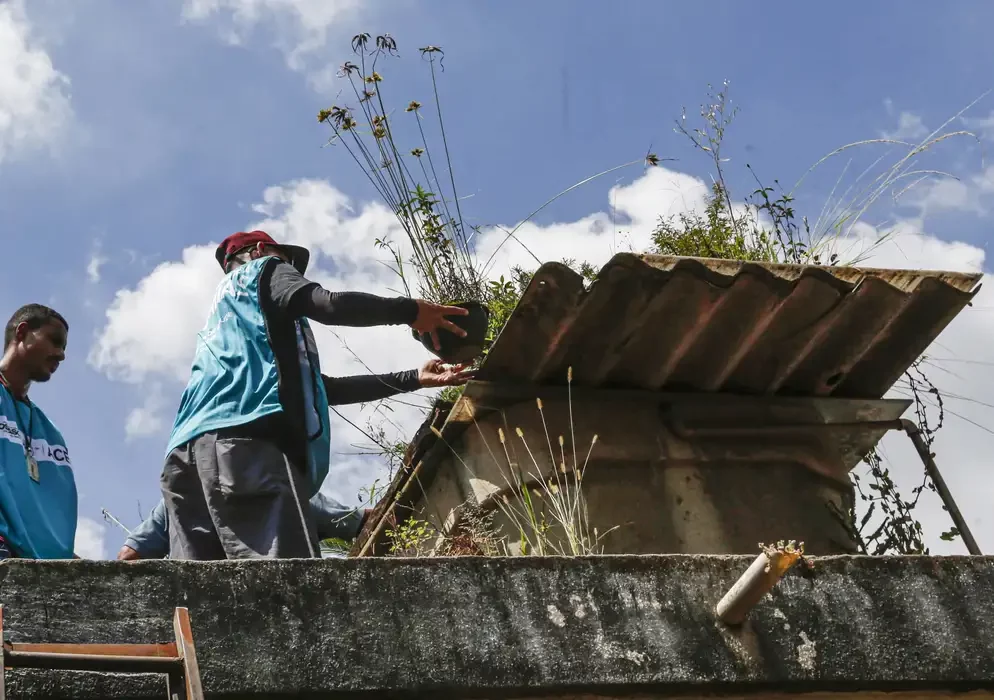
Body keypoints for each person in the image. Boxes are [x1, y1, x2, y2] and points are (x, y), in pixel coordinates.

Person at [161, 230, 473, 560]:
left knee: (203, 599)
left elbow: (322, 389)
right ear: (261, 250)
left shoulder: (226, 320)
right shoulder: (264, 269)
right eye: (286, 261)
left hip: (183, 463)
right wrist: (411, 312)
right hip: (243, 451)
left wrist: (413, 378)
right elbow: (329, 304)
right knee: (288, 586)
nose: (291, 272)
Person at [0, 304, 77, 559]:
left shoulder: (51, 432)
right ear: (22, 332)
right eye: (55, 341)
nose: (61, 355)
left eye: (64, 347)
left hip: (41, 570)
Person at [118, 492, 370, 560]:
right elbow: (355, 521)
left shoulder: (177, 497)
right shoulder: (279, 480)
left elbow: (129, 555)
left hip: (194, 618)